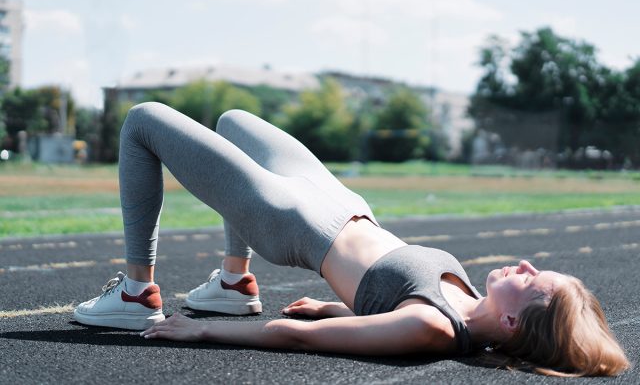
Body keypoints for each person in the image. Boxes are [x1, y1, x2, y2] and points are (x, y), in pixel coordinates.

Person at [74, 102, 629, 377]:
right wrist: (332, 306)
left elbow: (298, 339)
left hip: (291, 219)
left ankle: (135, 292)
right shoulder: (462, 307)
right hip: (336, 199)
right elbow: (379, 303)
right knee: (232, 120)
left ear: (512, 324)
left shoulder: (435, 328)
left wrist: (201, 331)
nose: (528, 264)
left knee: (143, 121)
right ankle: (233, 280)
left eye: (534, 282)